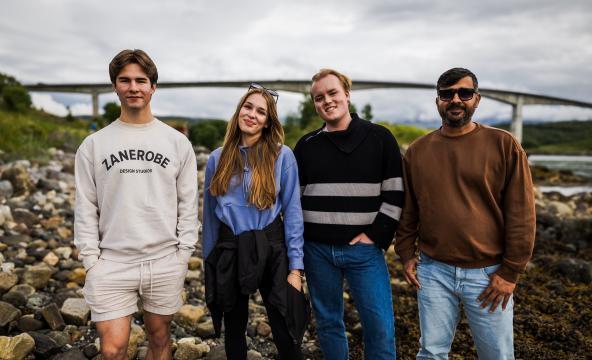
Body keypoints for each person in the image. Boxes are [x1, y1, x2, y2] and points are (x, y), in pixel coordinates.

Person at [395, 67, 536, 359]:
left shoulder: (504, 144)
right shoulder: (418, 151)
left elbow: (522, 214)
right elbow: (409, 209)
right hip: (434, 271)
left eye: (464, 93)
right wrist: (407, 253)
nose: (455, 100)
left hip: (489, 275)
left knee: (496, 355)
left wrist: (510, 272)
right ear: (438, 102)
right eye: (446, 94)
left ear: (477, 98)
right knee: (431, 353)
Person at [74, 49, 198, 360]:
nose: (133, 87)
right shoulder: (94, 144)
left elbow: (188, 203)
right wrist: (91, 261)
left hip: (163, 259)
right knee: (113, 349)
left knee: (159, 339)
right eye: (125, 80)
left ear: (153, 87)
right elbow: (86, 205)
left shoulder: (176, 142)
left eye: (141, 81)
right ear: (114, 86)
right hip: (112, 262)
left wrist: (182, 254)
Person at [294, 69, 404, 359]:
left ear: (347, 94)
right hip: (316, 251)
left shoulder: (380, 138)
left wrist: (375, 236)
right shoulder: (306, 145)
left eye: (332, 93)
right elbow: (295, 201)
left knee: (380, 326)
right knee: (329, 323)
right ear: (314, 104)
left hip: (364, 251)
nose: (327, 101)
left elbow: (395, 194)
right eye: (319, 98)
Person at [203, 83, 309, 360]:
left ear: (267, 121)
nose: (252, 114)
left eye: (261, 112)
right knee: (234, 329)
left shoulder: (282, 155)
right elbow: (210, 215)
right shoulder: (217, 158)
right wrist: (209, 263)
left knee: (284, 327)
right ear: (239, 111)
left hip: (271, 246)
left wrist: (295, 268)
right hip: (230, 247)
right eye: (248, 107)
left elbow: (294, 212)